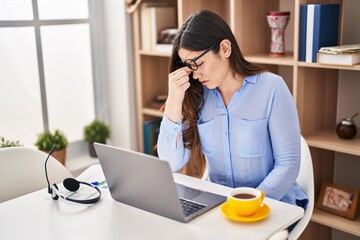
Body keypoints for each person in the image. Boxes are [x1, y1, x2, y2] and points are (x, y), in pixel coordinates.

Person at [157, 10, 308, 208]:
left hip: (273, 204)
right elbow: (171, 162)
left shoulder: (273, 88)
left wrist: (250, 204)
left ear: (225, 48)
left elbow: (288, 164)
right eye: (189, 66)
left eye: (199, 63)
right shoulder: (197, 95)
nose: (195, 74)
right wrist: (175, 99)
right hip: (220, 205)